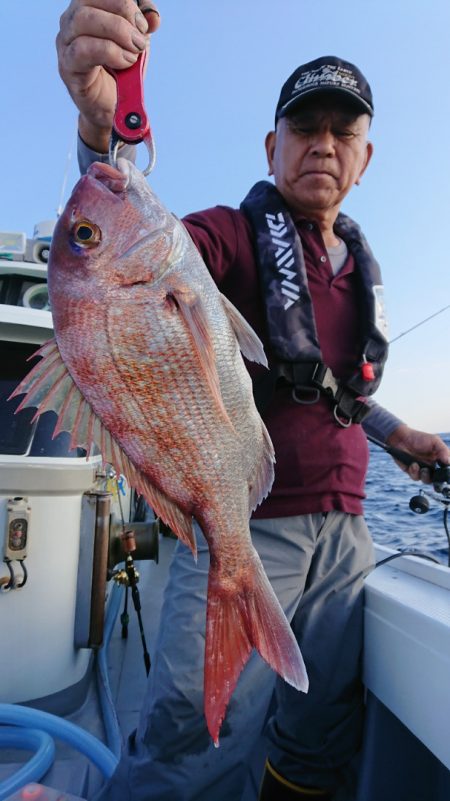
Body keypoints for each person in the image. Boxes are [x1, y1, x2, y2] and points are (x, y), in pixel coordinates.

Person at [57, 4, 450, 800]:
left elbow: (338, 394)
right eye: (304, 127)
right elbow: (119, 250)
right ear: (271, 146)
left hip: (351, 532)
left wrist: (401, 430)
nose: (323, 144)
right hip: (246, 521)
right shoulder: (232, 234)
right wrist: (102, 137)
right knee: (196, 730)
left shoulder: (354, 268)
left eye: (343, 131)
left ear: (365, 158)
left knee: (319, 727)